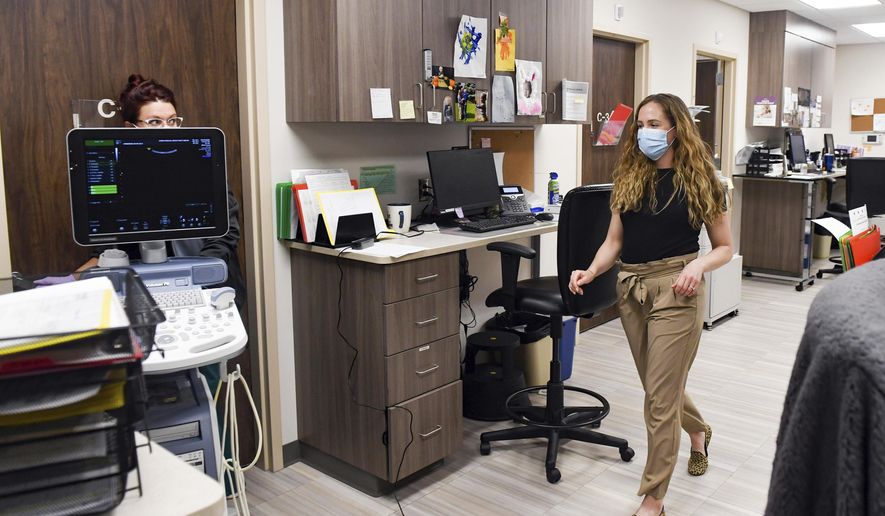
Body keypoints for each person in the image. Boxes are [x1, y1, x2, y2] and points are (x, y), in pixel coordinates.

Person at [568, 93, 733, 516]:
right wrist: (590, 270)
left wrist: (698, 266)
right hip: (632, 290)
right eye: (641, 124)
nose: (646, 132)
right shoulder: (630, 176)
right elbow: (615, 241)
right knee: (659, 388)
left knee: (659, 400)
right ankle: (698, 431)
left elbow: (725, 248)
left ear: (676, 129)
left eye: (655, 124)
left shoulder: (703, 181)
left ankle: (653, 498)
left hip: (678, 289)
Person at [79, 74, 246, 311]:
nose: (167, 129)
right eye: (155, 122)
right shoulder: (117, 177)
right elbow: (109, 247)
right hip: (147, 293)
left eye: (173, 120)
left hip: (210, 289)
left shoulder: (204, 164)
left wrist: (192, 279)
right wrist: (69, 284)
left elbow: (225, 236)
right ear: (130, 127)